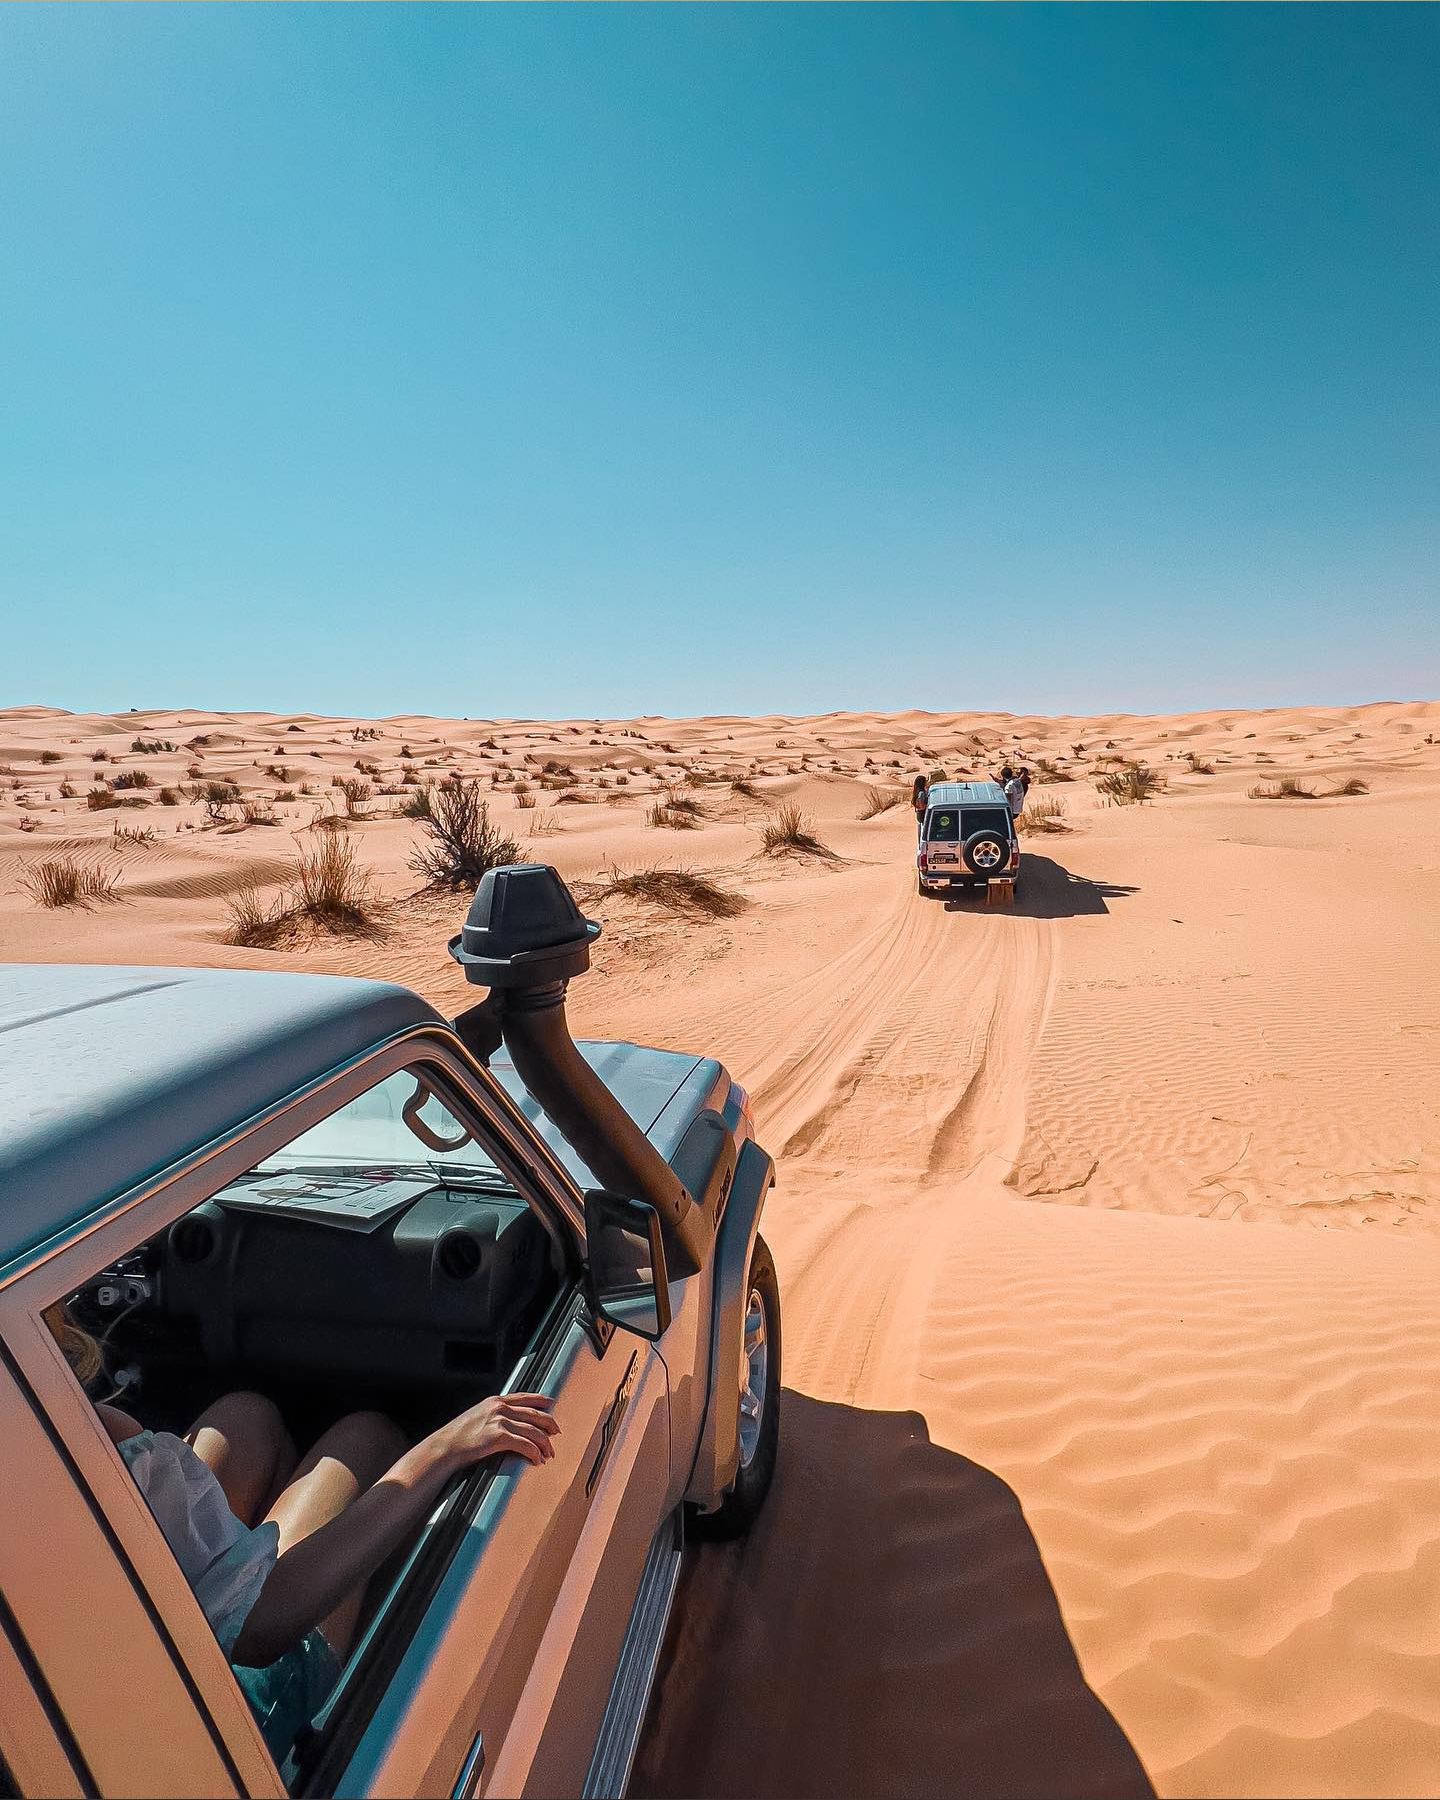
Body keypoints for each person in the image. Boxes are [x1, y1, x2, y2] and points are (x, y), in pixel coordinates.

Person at [44, 1302, 558, 1739]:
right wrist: (444, 1447)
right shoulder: (86, 1439)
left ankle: (240, 1566)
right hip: (208, 1733)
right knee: (365, 1439)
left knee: (244, 1417)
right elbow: (262, 1629)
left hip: (87, 1706)